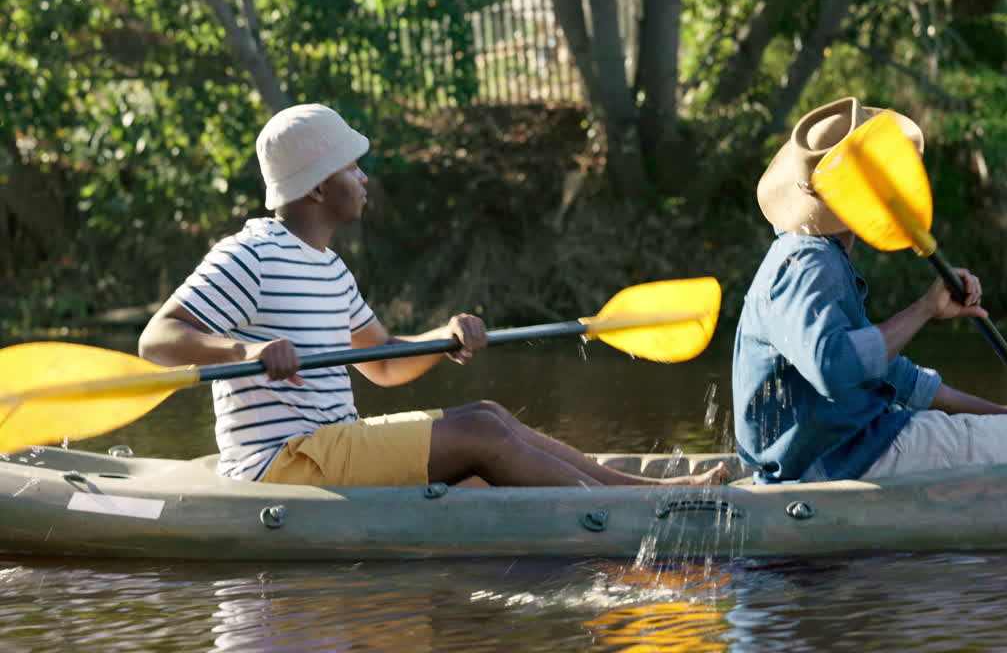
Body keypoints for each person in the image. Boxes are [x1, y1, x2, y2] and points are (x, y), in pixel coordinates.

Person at [139, 103, 728, 488]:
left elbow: (386, 365)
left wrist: (443, 339)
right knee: (483, 436)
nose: (364, 178)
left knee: (488, 415)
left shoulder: (328, 266)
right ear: (318, 188)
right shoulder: (252, 253)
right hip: (286, 464)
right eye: (352, 168)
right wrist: (243, 353)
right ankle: (650, 507)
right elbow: (158, 338)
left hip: (330, 445)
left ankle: (648, 493)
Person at [732, 97, 1007, 484]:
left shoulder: (812, 256)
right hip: (842, 458)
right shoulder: (810, 262)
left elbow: (898, 377)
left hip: (833, 452)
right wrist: (925, 309)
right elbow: (834, 367)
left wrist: (1004, 415)